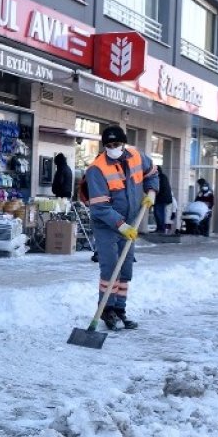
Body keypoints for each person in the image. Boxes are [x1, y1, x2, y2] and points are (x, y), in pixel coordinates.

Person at [83, 125, 158, 331]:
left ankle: (120, 310)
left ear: (123, 143)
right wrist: (121, 225)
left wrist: (151, 191)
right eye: (109, 145)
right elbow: (99, 207)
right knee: (110, 268)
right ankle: (107, 311)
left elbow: (152, 172)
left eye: (116, 144)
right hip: (107, 226)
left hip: (130, 222)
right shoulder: (96, 169)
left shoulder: (136, 155)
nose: (113, 148)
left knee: (125, 269)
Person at [154, 165, 173, 234]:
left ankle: (161, 229)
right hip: (162, 199)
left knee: (159, 213)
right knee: (158, 213)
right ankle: (160, 228)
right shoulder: (162, 177)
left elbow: (159, 188)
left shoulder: (160, 177)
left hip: (161, 199)